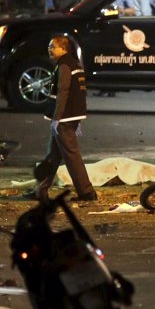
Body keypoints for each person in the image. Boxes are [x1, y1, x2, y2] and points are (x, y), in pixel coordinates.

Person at [28, 36, 98, 202]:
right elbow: (79, 94)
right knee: (52, 156)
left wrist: (56, 119)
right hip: (69, 118)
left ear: (63, 49)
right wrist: (78, 120)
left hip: (64, 119)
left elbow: (63, 92)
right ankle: (40, 190)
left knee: (72, 157)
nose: (49, 49)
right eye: (49, 46)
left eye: (53, 46)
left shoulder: (64, 66)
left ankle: (87, 193)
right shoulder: (75, 65)